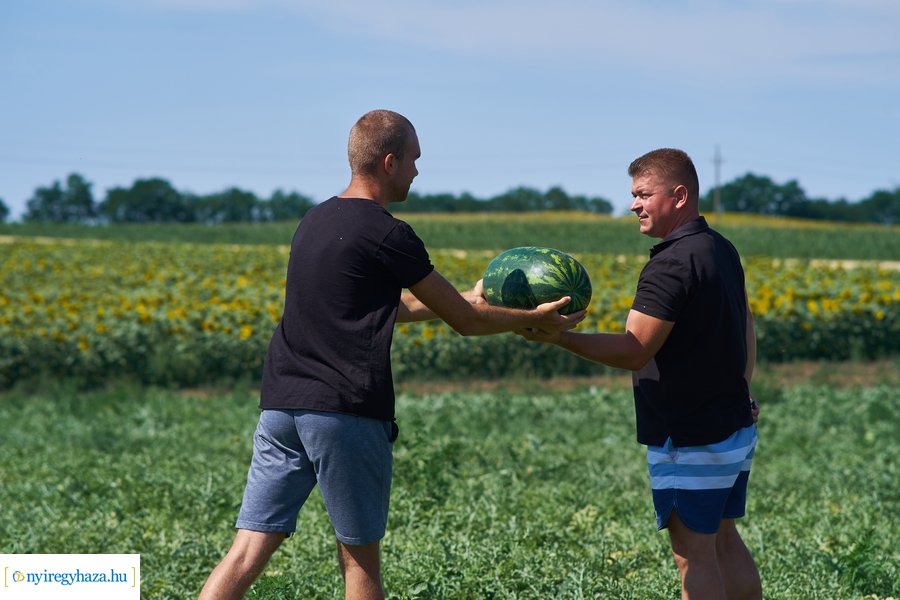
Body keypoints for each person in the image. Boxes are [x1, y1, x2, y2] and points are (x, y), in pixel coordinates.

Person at [198, 109, 584, 600]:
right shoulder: (388, 232)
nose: (418, 172)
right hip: (343, 411)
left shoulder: (313, 220)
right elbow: (466, 325)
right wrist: (535, 320)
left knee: (247, 550)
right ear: (388, 162)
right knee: (361, 563)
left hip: (281, 404)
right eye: (413, 160)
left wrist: (467, 297)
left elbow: (384, 307)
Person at [519, 148, 762, 600]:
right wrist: (743, 388)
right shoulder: (719, 248)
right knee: (724, 540)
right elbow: (745, 322)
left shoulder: (670, 263)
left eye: (644, 194)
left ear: (680, 195)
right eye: (634, 194)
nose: (634, 204)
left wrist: (557, 338)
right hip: (732, 426)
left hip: (688, 436)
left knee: (693, 556)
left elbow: (634, 350)